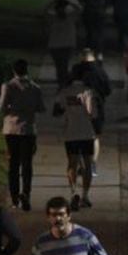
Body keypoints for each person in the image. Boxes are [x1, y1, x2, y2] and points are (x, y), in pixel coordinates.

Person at [0, 59, 46, 212]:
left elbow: (1, 108)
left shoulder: (8, 86)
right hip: (28, 130)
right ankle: (26, 193)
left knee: (13, 164)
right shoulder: (35, 88)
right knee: (27, 165)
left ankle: (14, 197)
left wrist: (11, 109)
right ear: (27, 70)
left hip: (11, 129)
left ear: (14, 70)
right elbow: (41, 108)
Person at [53, 66, 98, 210]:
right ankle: (85, 196)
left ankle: (73, 192)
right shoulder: (88, 92)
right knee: (87, 165)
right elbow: (93, 114)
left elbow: (57, 111)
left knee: (72, 163)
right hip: (86, 133)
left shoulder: (64, 92)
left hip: (70, 133)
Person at [72, 49, 111, 178]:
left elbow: (67, 87)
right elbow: (108, 90)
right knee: (94, 136)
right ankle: (92, 165)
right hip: (96, 107)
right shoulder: (100, 71)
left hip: (78, 107)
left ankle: (80, 166)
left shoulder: (76, 70)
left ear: (81, 57)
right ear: (92, 57)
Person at [46, 0, 81, 87]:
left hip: (67, 45)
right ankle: (62, 83)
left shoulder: (71, 17)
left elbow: (79, 9)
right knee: (59, 67)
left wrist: (69, 2)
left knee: (63, 66)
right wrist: (53, 1)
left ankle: (63, 84)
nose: (61, 11)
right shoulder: (52, 18)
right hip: (55, 46)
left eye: (63, 8)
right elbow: (45, 10)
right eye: (59, 9)